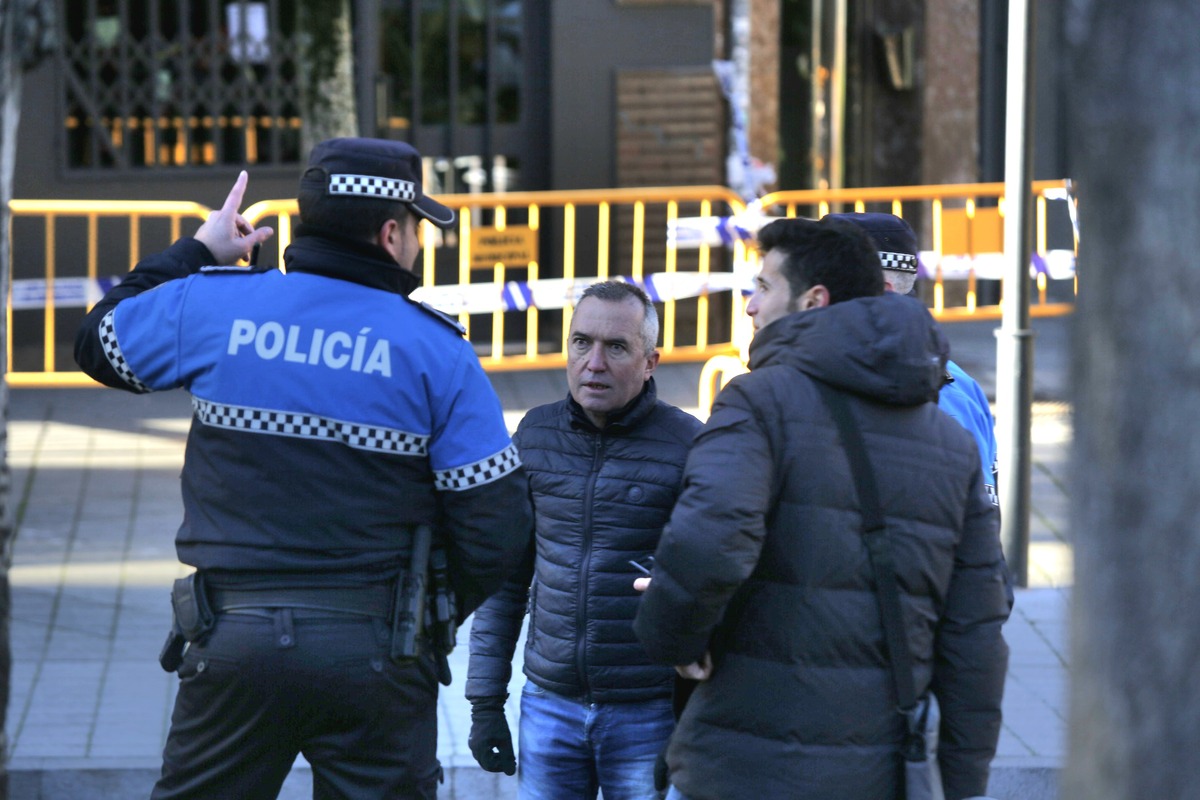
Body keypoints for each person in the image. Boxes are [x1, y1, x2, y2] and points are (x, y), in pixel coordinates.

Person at [74, 137, 533, 800]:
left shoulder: (212, 306)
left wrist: (199, 252)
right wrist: (426, 611)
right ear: (389, 233)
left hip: (232, 643)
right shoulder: (436, 352)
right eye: (415, 231)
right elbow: (497, 524)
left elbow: (97, 341)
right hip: (377, 652)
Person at [632, 217, 1010, 800]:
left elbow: (706, 544)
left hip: (741, 766)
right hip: (876, 772)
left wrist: (674, 640)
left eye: (762, 287)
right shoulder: (950, 442)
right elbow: (977, 635)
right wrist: (960, 783)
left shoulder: (757, 402)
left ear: (813, 300)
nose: (750, 307)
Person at [465, 280, 702, 800]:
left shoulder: (688, 445)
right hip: (549, 708)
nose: (594, 362)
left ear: (650, 362)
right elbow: (506, 581)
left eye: (616, 347)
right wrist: (485, 703)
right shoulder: (535, 433)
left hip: (649, 714)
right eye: (581, 342)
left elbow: (709, 584)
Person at [827, 212, 999, 505]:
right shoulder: (957, 383)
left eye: (826, 281)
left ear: (882, 289)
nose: (813, 297)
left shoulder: (940, 395)